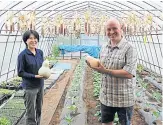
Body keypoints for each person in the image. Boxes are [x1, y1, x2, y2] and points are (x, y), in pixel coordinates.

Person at [86, 18, 137, 125]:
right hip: (106, 97)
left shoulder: (129, 48)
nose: (111, 32)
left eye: (115, 28)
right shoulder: (104, 47)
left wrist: (106, 71)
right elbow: (103, 67)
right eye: (108, 29)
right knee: (107, 123)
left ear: (121, 29)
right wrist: (93, 65)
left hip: (124, 99)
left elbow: (129, 73)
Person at [17, 30, 44, 125]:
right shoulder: (22, 55)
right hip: (30, 87)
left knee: (39, 109)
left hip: (40, 85)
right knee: (31, 112)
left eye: (35, 38)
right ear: (26, 41)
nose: (33, 40)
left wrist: (46, 72)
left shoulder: (40, 52)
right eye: (30, 38)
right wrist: (35, 76)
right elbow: (20, 72)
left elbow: (43, 67)